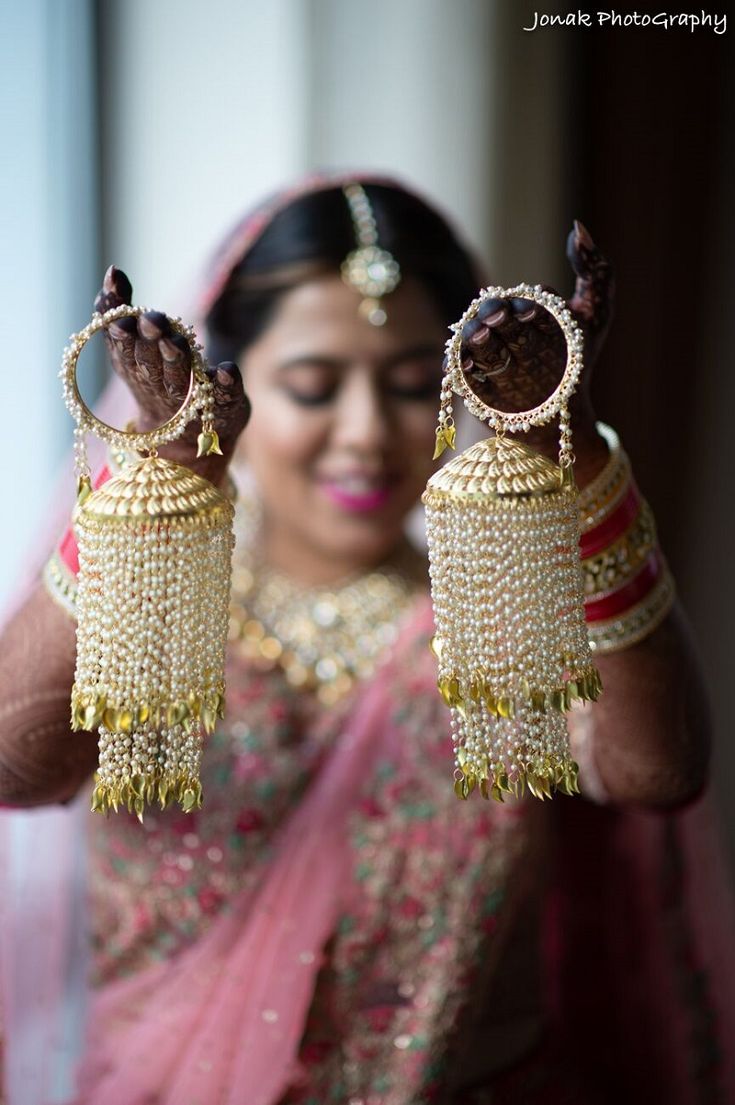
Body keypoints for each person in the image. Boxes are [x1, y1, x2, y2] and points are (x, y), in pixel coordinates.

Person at [0, 173, 732, 1105]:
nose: (367, 434)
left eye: (413, 387)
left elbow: (657, 771)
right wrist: (162, 465)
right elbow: (13, 770)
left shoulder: (497, 613)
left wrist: (573, 452)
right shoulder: (154, 608)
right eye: (311, 386)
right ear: (227, 385)